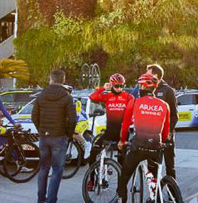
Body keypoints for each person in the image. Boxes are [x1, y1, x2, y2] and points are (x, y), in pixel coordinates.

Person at [116, 73, 170, 203]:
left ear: (141, 87)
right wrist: (160, 141)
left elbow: (125, 125)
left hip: (138, 146)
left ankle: (121, 196)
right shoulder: (164, 105)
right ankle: (154, 195)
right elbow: (165, 130)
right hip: (156, 147)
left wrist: (122, 141)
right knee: (154, 176)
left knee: (125, 174)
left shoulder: (134, 102)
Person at [32, 70, 77, 203]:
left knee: (44, 168)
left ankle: (41, 199)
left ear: (50, 79)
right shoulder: (67, 97)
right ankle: (52, 200)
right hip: (59, 136)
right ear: (63, 80)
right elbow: (73, 119)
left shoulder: (41, 95)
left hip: (44, 137)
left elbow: (34, 116)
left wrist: (41, 129)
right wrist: (68, 134)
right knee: (57, 170)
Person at [85, 73, 133, 191]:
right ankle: (92, 180)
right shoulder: (108, 96)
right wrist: (103, 88)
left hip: (122, 133)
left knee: (121, 161)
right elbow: (92, 97)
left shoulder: (128, 97)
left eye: (121, 86)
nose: (119, 88)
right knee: (92, 154)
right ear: (111, 85)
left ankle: (121, 187)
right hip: (109, 132)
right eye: (116, 86)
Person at [146, 64, 178, 179]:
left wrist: (169, 132)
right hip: (152, 136)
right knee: (152, 166)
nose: (146, 75)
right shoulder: (147, 88)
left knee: (170, 166)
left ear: (155, 75)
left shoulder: (168, 90)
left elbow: (175, 115)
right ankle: (154, 194)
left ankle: (173, 195)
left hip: (166, 136)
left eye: (148, 73)